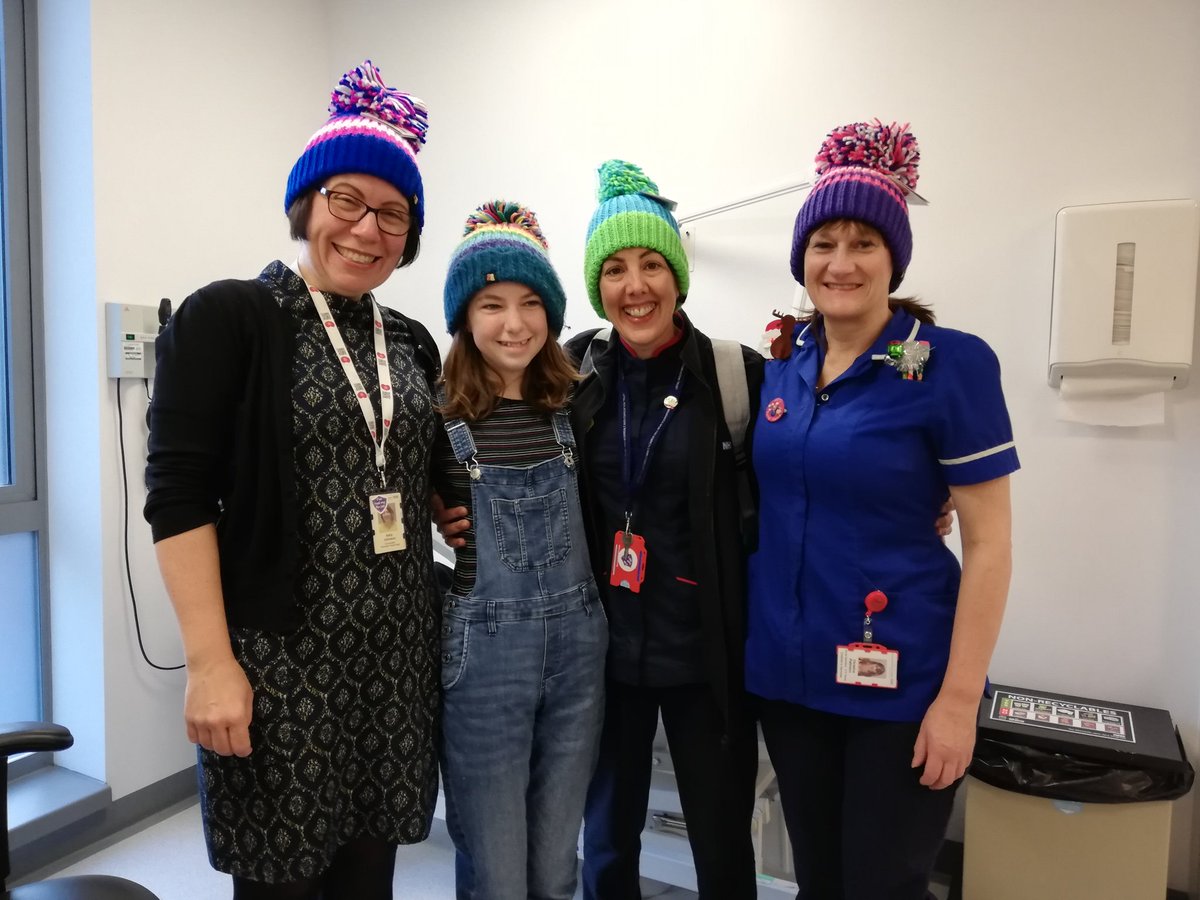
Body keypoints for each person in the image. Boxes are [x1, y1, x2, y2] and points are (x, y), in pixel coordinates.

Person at [144, 61, 442, 899]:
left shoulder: (411, 340)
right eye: (345, 199)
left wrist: (450, 507)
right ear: (306, 205)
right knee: (280, 880)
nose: (366, 228)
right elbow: (177, 497)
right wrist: (210, 663)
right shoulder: (231, 317)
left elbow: (409, 462)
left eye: (392, 213)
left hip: (393, 668)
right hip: (279, 666)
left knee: (367, 880)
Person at [746, 120, 1018, 899]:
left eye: (863, 242)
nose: (840, 262)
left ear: (894, 257)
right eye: (823, 242)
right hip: (793, 681)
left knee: (882, 886)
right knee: (818, 883)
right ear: (801, 257)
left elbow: (990, 546)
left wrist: (961, 702)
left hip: (901, 686)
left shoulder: (944, 363)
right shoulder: (785, 360)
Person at [568, 161, 762, 899]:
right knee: (607, 836)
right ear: (597, 286)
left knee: (720, 836)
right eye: (614, 268)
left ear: (677, 275)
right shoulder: (574, 375)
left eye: (652, 263)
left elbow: (799, 478)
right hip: (604, 654)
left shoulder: (736, 374)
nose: (635, 285)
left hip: (707, 655)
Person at [433, 201, 608, 900]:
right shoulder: (436, 413)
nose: (514, 323)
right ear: (465, 319)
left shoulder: (579, 405)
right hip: (483, 661)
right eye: (492, 304)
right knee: (498, 875)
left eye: (532, 302)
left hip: (579, 656)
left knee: (557, 868)